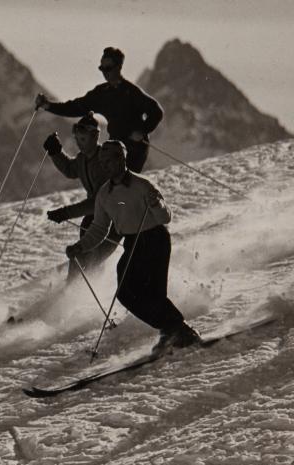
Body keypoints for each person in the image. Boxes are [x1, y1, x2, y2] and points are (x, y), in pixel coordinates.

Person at [65, 140, 200, 351]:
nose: (107, 165)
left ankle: (179, 330)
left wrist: (157, 205)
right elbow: (99, 229)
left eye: (111, 160)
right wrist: (80, 247)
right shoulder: (104, 194)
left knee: (153, 293)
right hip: (132, 243)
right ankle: (171, 328)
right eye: (104, 162)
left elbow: (165, 217)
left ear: (122, 159)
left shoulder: (142, 185)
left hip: (155, 239)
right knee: (126, 293)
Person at [35, 47, 163, 173]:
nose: (104, 72)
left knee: (123, 183)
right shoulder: (101, 93)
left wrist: (142, 130)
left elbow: (156, 111)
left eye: (108, 68)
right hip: (114, 145)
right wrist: (48, 106)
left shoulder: (131, 92)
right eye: (102, 68)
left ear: (118, 67)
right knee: (111, 182)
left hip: (135, 147)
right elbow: (75, 107)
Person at [43, 112, 122, 280]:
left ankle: (80, 293)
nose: (80, 144)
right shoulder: (83, 158)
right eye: (77, 139)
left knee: (88, 259)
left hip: (112, 223)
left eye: (83, 139)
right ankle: (69, 291)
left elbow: (98, 202)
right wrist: (56, 152)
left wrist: (66, 213)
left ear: (95, 136)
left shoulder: (104, 162)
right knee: (79, 257)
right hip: (92, 220)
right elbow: (71, 170)